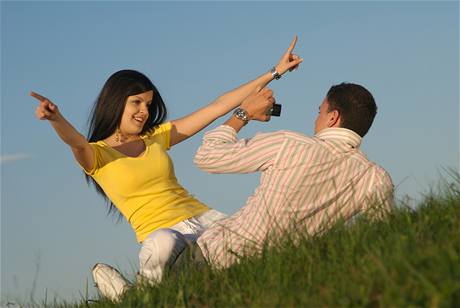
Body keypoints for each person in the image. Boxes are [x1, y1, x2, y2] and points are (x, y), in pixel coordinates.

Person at [30, 37, 303, 301]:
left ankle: (134, 294)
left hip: (205, 220)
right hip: (164, 236)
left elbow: (217, 107)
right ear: (115, 103)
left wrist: (274, 72)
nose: (144, 111)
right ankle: (144, 297)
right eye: (136, 102)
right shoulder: (97, 155)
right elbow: (76, 142)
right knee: (161, 243)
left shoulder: (156, 136)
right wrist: (56, 119)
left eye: (148, 104)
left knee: (259, 246)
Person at [186, 82, 395, 269]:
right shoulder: (374, 178)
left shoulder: (290, 144)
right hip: (284, 271)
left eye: (319, 112)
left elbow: (207, 156)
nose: (316, 120)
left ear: (333, 117)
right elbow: (382, 237)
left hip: (213, 259)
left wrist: (243, 113)